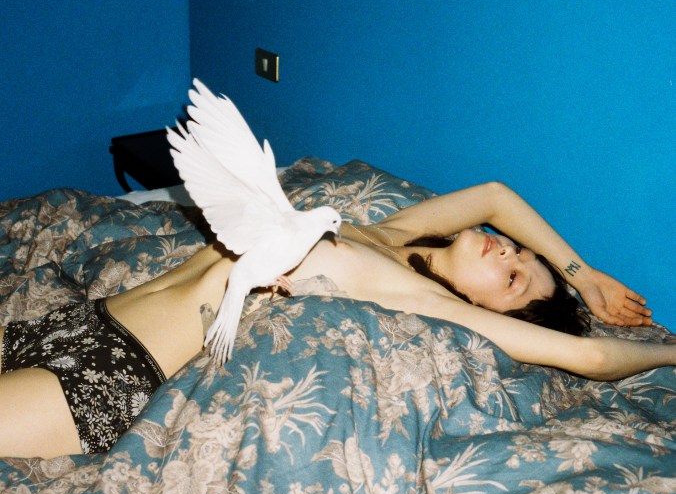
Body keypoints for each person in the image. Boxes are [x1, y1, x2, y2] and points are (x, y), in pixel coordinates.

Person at [0, 180, 671, 460]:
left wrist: (670, 354)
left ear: (485, 309)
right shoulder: (390, 234)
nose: (509, 249)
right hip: (85, 322)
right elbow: (495, 196)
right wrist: (582, 274)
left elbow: (590, 359)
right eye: (520, 252)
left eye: (514, 277)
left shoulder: (421, 298)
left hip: (109, 380)